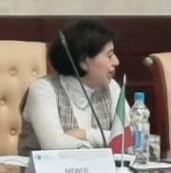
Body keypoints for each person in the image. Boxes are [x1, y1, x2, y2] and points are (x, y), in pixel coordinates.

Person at [18, 19, 125, 155]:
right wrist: (100, 146)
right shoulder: (43, 90)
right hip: (39, 169)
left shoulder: (111, 87)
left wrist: (85, 134)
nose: (116, 61)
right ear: (83, 62)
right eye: (109, 56)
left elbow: (129, 139)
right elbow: (54, 145)